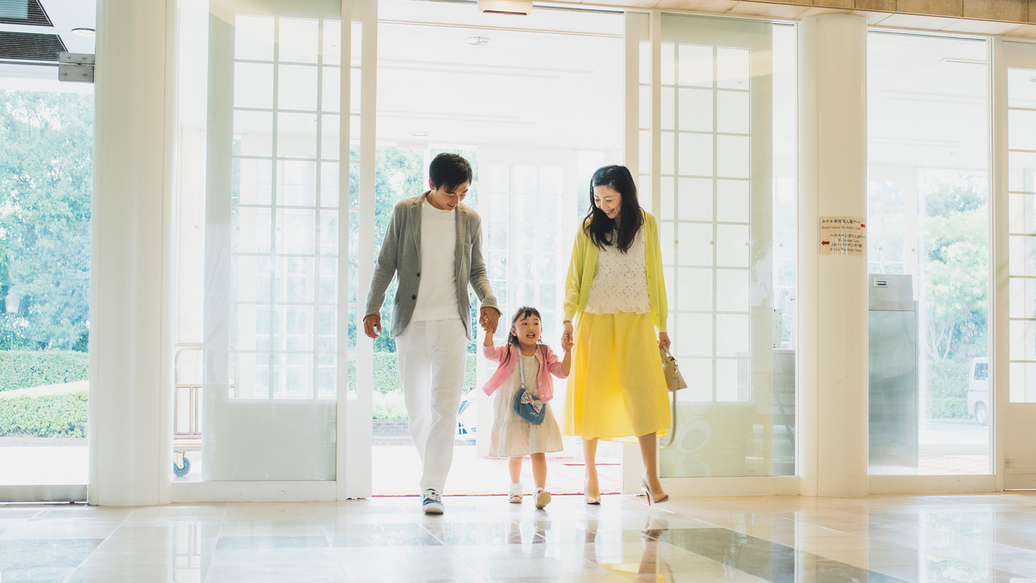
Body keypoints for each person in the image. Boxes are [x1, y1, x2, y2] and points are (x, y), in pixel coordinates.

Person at [363, 153, 500, 514]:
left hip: (452, 322)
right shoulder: (405, 212)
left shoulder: (470, 219)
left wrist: (489, 299)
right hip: (411, 322)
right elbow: (385, 263)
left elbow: (478, 268)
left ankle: (433, 486)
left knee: (445, 407)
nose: (456, 201)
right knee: (418, 409)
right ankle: (431, 473)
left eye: (463, 194)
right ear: (432, 185)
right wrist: (371, 307)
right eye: (450, 194)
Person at [560, 164, 671, 506]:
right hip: (595, 320)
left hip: (636, 319)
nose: (604, 204)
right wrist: (567, 320)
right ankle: (590, 474)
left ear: (625, 192)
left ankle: (650, 475)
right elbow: (575, 275)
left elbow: (655, 273)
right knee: (593, 395)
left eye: (609, 197)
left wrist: (662, 324)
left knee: (644, 394)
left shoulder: (646, 223)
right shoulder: (589, 227)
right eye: (597, 198)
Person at [481, 307, 570, 509]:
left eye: (536, 323)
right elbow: (488, 353)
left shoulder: (545, 352)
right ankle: (515, 487)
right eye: (524, 323)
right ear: (513, 330)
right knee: (516, 452)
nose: (531, 327)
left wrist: (568, 351)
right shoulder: (508, 352)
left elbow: (563, 372)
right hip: (513, 409)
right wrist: (489, 332)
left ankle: (539, 490)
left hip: (536, 408)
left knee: (538, 451)